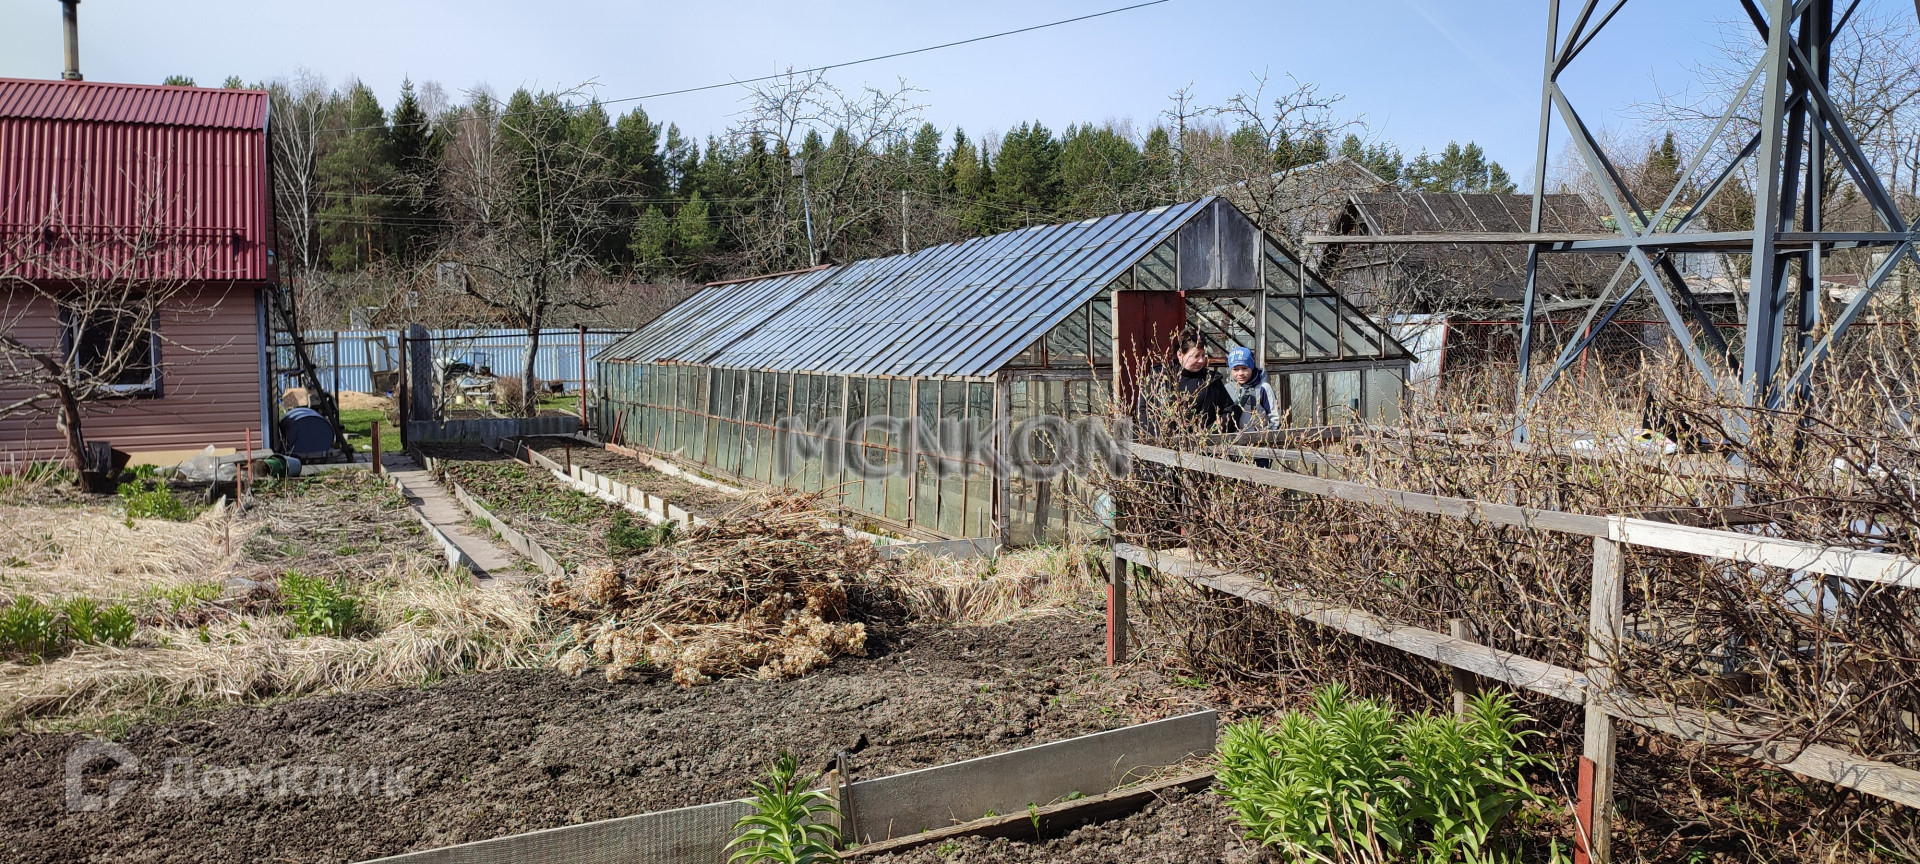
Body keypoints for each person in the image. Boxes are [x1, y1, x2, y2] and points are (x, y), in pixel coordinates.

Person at [1135, 326, 1238, 434]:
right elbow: (1143, 410)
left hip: (1202, 442)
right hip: (1165, 442)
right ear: (1180, 354)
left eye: (1203, 355)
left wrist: (1208, 433)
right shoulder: (1160, 377)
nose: (1201, 360)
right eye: (1196, 356)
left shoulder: (1211, 380)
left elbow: (1229, 412)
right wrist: (1159, 435)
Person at [1222, 346, 1282, 432]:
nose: (1240, 373)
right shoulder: (1227, 389)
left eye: (1244, 368)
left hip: (1258, 438)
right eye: (1235, 369)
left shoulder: (1263, 388)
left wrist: (1266, 436)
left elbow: (1274, 418)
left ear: (1252, 366)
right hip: (1233, 438)